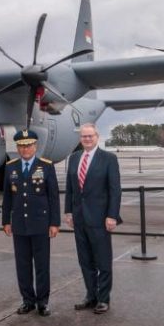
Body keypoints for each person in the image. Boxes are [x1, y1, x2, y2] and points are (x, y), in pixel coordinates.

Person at [64, 122, 122, 315]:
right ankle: (91, 296)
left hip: (100, 218)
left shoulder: (108, 159)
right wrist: (68, 212)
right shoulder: (74, 158)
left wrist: (112, 215)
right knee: (85, 261)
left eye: (90, 136)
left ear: (97, 137)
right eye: (84, 136)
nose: (87, 139)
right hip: (79, 218)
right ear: (80, 138)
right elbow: (70, 188)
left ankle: (103, 299)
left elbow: (115, 190)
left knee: (103, 261)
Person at [2, 129, 61, 316]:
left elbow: (53, 197)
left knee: (42, 265)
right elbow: (7, 197)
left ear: (35, 146)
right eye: (21, 146)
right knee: (23, 265)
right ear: (17, 148)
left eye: (28, 145)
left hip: (40, 224)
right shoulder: (10, 167)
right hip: (19, 224)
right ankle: (27, 301)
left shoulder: (46, 166)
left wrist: (54, 223)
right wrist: (6, 221)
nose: (25, 149)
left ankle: (42, 302)